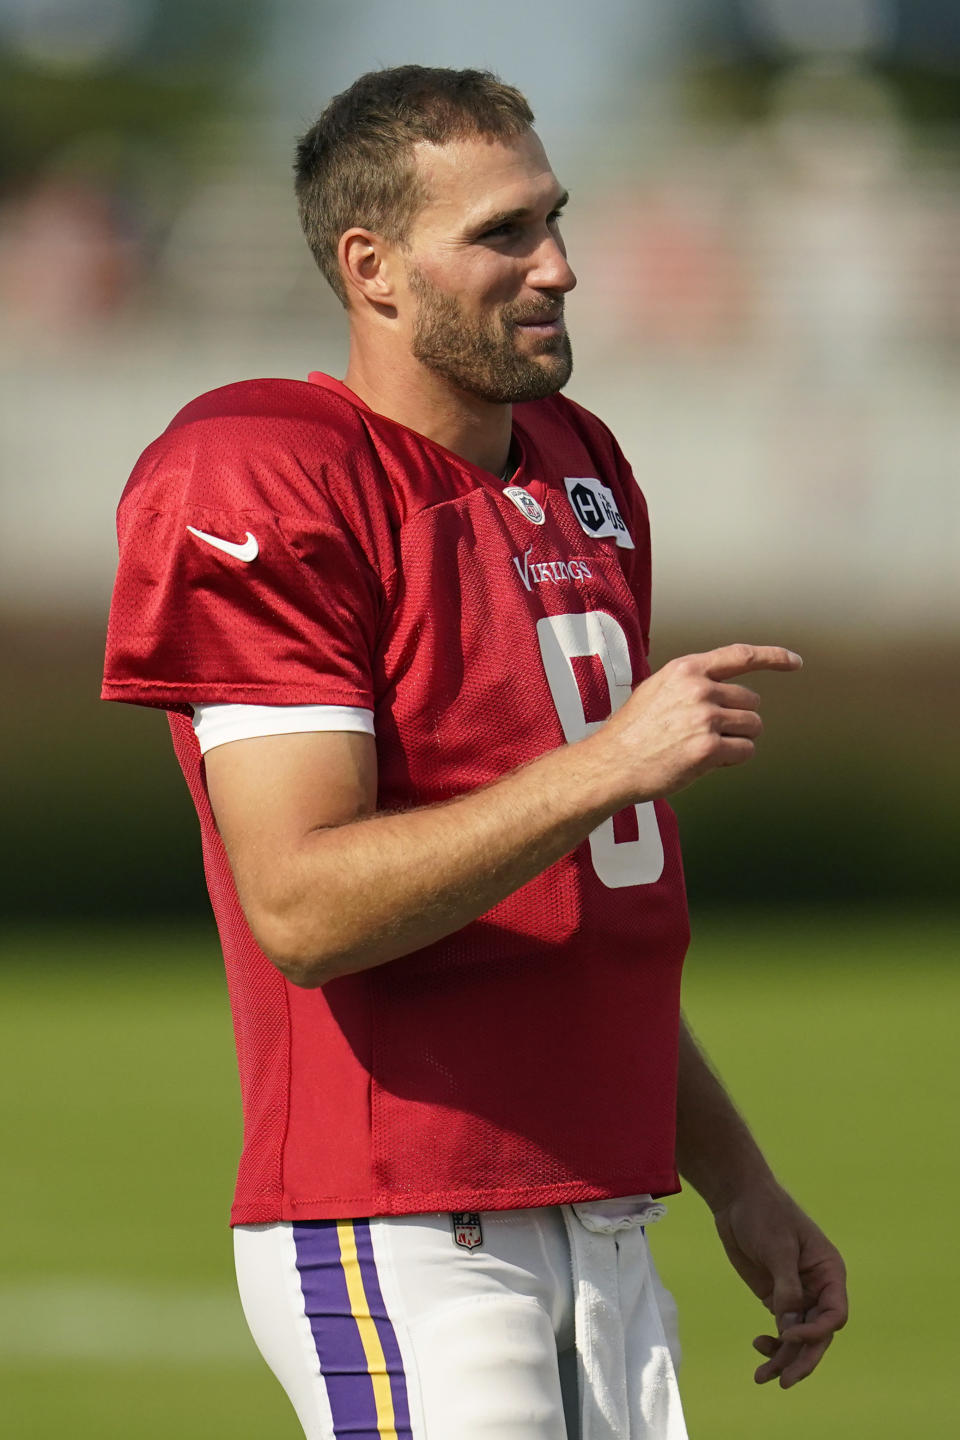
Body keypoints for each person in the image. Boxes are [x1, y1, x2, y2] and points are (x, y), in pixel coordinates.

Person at [102, 65, 847, 1440]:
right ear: (372, 267)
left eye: (555, 220)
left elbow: (572, 913)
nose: (560, 266)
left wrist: (737, 1179)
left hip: (607, 1224)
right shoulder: (263, 469)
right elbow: (303, 906)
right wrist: (607, 765)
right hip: (408, 1226)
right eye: (503, 233)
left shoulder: (578, 464)